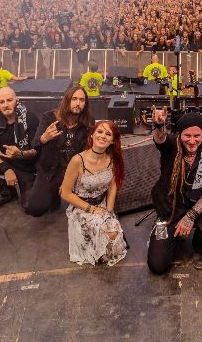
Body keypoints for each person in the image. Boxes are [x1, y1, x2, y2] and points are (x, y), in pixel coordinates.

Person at [148, 109, 202, 273]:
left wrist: (190, 216)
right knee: (157, 265)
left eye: (197, 136)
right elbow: (160, 139)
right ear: (179, 135)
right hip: (170, 207)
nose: (192, 141)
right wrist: (159, 124)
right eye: (187, 136)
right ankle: (174, 234)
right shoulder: (171, 144)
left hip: (197, 202)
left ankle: (199, 247)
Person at [59, 121, 128, 266]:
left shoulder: (112, 159)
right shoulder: (78, 160)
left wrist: (109, 211)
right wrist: (92, 209)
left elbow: (112, 187)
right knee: (107, 235)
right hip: (81, 208)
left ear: (112, 141)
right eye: (100, 132)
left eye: (108, 134)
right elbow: (65, 193)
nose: (103, 136)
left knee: (113, 233)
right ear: (92, 135)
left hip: (102, 205)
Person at [26, 85, 93, 217]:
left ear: (85, 104)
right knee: (35, 210)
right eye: (74, 99)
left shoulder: (88, 122)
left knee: (82, 209)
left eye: (82, 100)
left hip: (73, 171)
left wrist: (69, 180)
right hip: (49, 170)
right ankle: (52, 195)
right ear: (67, 100)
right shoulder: (49, 117)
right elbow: (35, 144)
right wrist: (44, 138)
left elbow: (86, 154)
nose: (78, 103)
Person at [0, 87, 40, 211]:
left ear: (16, 100)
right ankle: (8, 192)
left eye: (9, 100)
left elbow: (38, 150)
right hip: (9, 163)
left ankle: (34, 184)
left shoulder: (30, 119)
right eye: (2, 102)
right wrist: (6, 169)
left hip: (28, 168)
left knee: (31, 207)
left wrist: (20, 153)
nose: (6, 105)